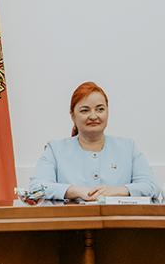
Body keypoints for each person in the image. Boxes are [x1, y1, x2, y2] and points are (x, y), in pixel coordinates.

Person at [30, 81, 161, 201]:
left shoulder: (128, 147)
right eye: (85, 110)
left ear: (107, 112)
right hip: (71, 219)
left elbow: (152, 187)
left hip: (119, 219)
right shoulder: (55, 149)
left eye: (100, 109)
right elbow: (36, 188)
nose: (93, 116)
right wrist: (75, 191)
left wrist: (118, 191)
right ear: (73, 116)